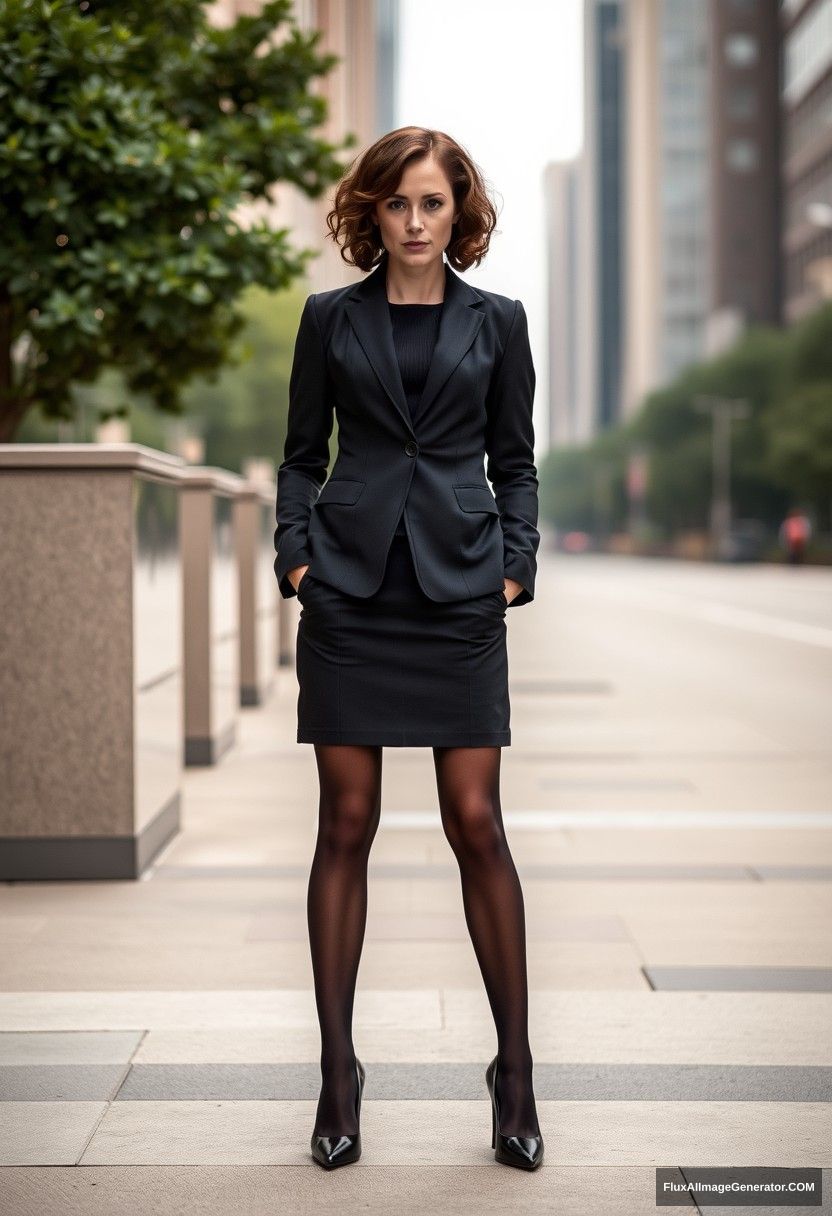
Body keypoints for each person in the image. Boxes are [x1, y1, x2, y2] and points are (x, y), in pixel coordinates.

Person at [274, 126, 543, 1172]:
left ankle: (513, 1069)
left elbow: (515, 462)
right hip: (350, 590)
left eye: (433, 204)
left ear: (457, 210)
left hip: (460, 593)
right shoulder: (328, 320)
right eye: (397, 204)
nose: (416, 222)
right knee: (345, 823)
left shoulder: (500, 323)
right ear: (371, 213)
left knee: (475, 821)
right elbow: (301, 457)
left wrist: (513, 569)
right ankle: (338, 1074)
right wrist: (298, 565)